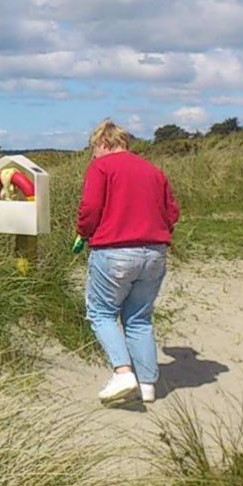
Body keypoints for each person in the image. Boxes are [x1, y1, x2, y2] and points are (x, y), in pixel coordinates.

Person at [77, 119, 180, 406]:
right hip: (155, 251)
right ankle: (147, 385)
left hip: (114, 250)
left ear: (102, 143)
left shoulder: (102, 166)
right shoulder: (153, 170)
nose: (92, 155)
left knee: (101, 313)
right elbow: (172, 212)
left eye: (93, 149)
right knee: (139, 318)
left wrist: (83, 233)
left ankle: (122, 372)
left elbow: (90, 209)